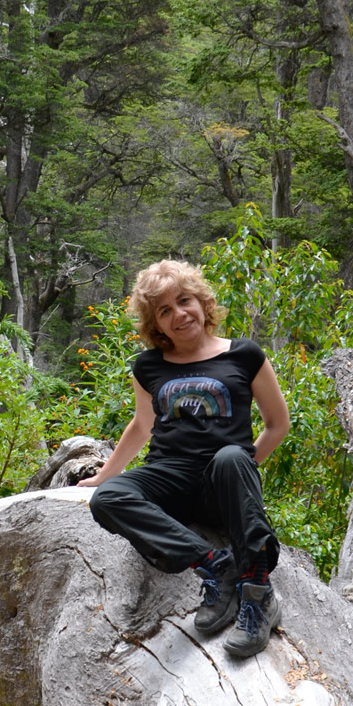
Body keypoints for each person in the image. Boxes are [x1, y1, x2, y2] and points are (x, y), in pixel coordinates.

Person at [78, 259, 290, 658]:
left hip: (220, 478)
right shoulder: (148, 367)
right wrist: (105, 475)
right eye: (164, 310)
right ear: (155, 324)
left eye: (184, 300)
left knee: (231, 457)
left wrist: (240, 475)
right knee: (107, 499)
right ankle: (216, 566)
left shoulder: (244, 355)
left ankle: (258, 592)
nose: (179, 314)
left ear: (202, 303)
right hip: (170, 479)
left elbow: (277, 424)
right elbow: (142, 426)